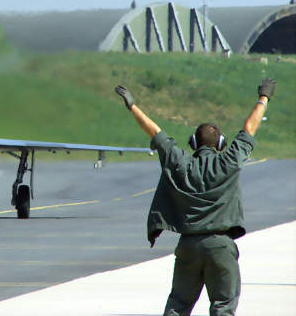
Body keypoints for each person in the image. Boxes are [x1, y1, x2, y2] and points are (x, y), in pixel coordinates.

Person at [114, 77, 277, 316]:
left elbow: (157, 134)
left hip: (188, 246)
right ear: (221, 143)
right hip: (221, 245)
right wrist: (264, 98)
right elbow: (249, 129)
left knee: (178, 306)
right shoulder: (229, 160)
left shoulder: (181, 162)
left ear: (192, 143)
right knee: (223, 307)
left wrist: (133, 106)